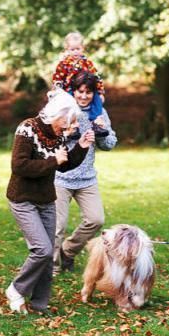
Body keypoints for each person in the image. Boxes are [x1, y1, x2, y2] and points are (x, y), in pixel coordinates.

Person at [5, 89, 95, 314]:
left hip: (46, 199)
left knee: (49, 251)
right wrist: (53, 160)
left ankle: (39, 305)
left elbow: (63, 164)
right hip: (22, 198)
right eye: (68, 121)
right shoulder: (27, 128)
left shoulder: (59, 134)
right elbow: (20, 166)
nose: (70, 126)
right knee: (42, 250)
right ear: (57, 115)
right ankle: (16, 289)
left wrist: (81, 148)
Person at [53, 71, 117, 274]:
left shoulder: (99, 111)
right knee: (57, 227)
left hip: (86, 178)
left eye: (88, 92)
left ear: (94, 93)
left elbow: (109, 145)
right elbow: (49, 140)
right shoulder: (63, 109)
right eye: (80, 91)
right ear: (73, 91)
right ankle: (51, 268)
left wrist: (102, 129)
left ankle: (68, 252)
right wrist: (67, 134)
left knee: (96, 220)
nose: (83, 96)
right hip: (61, 177)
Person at [52, 31, 108, 138]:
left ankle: (97, 123)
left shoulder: (87, 63)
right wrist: (57, 90)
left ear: (83, 48)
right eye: (72, 50)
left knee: (97, 100)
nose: (75, 52)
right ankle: (73, 126)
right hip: (70, 89)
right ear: (67, 50)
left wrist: (100, 91)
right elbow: (58, 78)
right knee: (70, 105)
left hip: (88, 87)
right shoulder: (64, 64)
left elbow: (96, 76)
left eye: (78, 49)